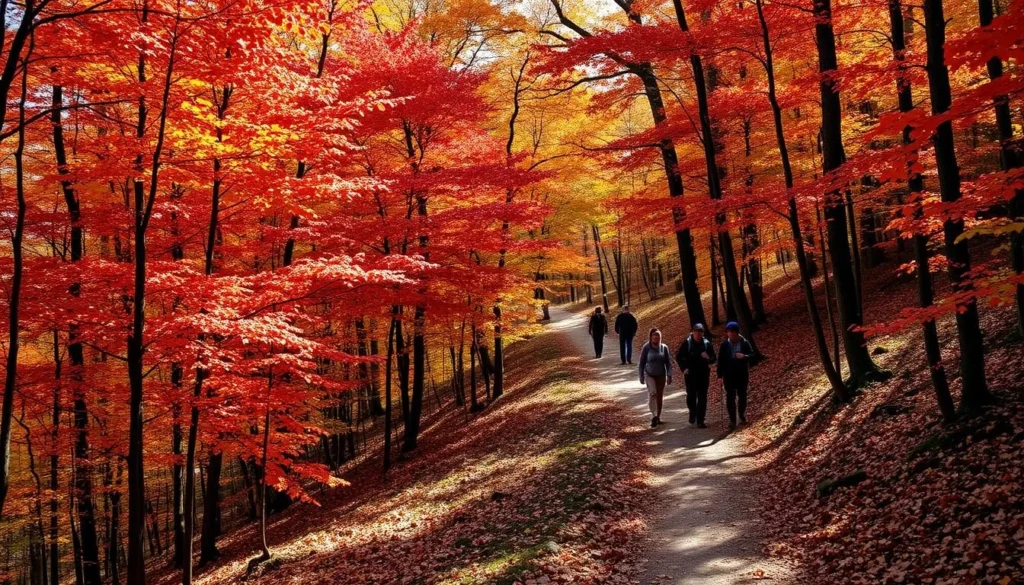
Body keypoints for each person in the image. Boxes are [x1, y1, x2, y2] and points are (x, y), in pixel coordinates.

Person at [676, 323, 716, 428]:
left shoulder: (707, 344)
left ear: (703, 333)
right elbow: (679, 357)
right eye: (696, 331)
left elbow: (713, 359)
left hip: (703, 374)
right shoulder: (687, 343)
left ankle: (700, 420)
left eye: (700, 332)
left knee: (702, 396)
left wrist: (708, 357)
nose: (698, 334)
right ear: (693, 332)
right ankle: (692, 412)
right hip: (691, 375)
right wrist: (684, 368)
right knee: (691, 396)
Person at [717, 321, 753, 430]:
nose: (730, 334)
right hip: (729, 375)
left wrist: (744, 356)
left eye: (732, 332)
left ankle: (741, 415)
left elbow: (752, 355)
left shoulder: (744, 342)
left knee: (742, 395)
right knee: (730, 396)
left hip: (742, 374)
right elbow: (720, 361)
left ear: (737, 332)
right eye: (728, 332)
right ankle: (732, 420)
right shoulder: (724, 345)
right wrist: (719, 375)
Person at [638, 328, 672, 427]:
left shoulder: (664, 347)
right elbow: (642, 363)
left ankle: (658, 416)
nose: (656, 337)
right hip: (649, 375)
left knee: (659, 396)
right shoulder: (646, 347)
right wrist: (641, 376)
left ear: (660, 337)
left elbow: (668, 363)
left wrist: (669, 375)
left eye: (658, 335)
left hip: (661, 375)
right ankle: (653, 415)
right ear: (650, 336)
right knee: (653, 393)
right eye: (654, 335)